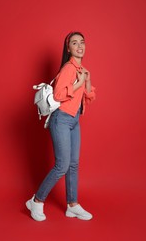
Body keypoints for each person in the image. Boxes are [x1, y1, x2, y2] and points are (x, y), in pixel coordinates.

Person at [26, 31, 95, 221]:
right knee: (62, 165)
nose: (79, 46)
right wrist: (79, 82)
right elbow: (58, 95)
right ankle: (36, 201)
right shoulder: (68, 68)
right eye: (74, 43)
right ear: (68, 48)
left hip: (74, 120)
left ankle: (72, 205)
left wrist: (86, 81)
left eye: (82, 42)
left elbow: (88, 98)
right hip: (61, 119)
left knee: (73, 164)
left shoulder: (82, 70)